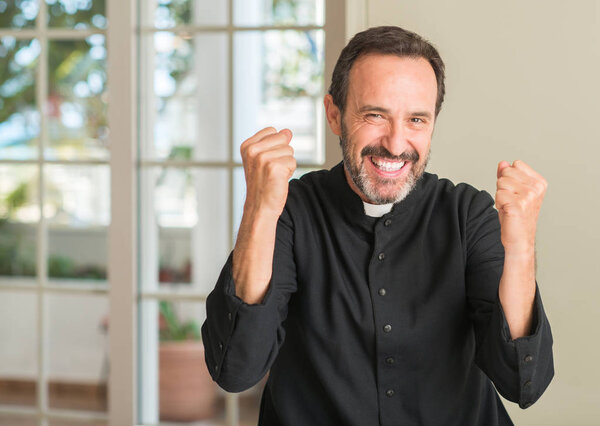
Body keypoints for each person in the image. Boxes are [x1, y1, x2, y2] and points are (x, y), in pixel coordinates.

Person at [201, 26, 554, 425]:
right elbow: (235, 368)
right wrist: (259, 211)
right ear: (334, 115)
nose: (396, 142)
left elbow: (523, 382)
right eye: (375, 115)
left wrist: (522, 246)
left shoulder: (467, 213)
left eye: (417, 119)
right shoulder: (292, 210)